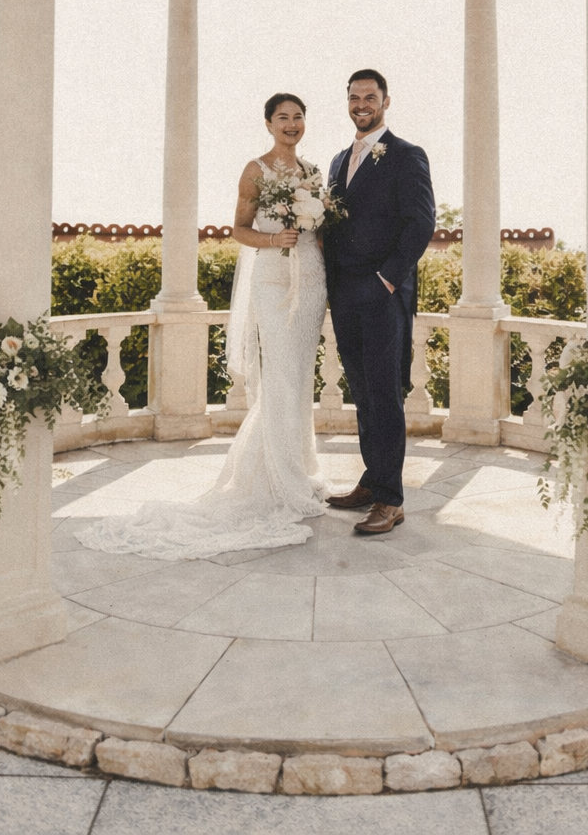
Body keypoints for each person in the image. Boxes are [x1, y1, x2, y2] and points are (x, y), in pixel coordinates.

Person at [76, 93, 329, 561]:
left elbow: (323, 229)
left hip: (311, 278)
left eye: (298, 117)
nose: (291, 125)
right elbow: (238, 229)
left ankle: (300, 467)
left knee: (301, 377)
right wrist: (275, 239)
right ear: (269, 124)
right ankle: (275, 479)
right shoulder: (255, 169)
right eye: (282, 118)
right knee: (280, 375)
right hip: (273, 280)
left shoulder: (314, 173)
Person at [323, 71, 436, 535]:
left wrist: (388, 280)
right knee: (363, 393)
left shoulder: (407, 155)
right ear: (347, 102)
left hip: (384, 295)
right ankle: (373, 480)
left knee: (387, 396)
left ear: (386, 100)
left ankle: (391, 500)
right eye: (354, 97)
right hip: (344, 294)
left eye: (370, 97)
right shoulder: (336, 161)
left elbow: (421, 223)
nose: (362, 104)